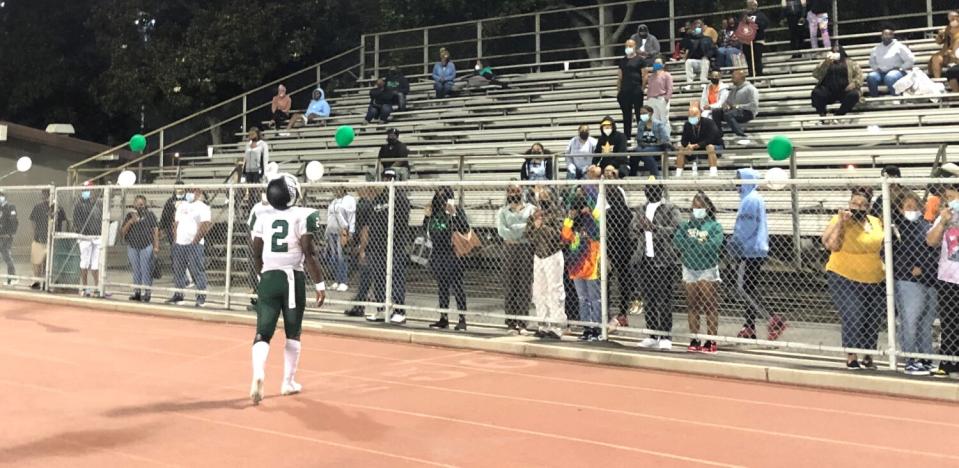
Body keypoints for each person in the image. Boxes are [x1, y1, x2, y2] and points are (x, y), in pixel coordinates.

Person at [248, 174, 327, 405]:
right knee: (293, 332)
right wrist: (320, 283)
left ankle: (258, 373)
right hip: (292, 277)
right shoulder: (303, 215)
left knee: (263, 332)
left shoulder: (261, 215)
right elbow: (308, 251)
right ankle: (288, 382)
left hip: (268, 275)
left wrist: (260, 273)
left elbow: (256, 250)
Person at [822, 188, 884, 370]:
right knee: (853, 314)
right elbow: (833, 245)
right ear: (849, 204)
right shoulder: (840, 219)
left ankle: (868, 354)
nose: (859, 208)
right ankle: (851, 355)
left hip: (875, 277)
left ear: (869, 207)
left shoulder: (876, 221)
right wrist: (842, 223)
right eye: (855, 204)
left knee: (872, 318)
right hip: (845, 276)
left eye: (863, 205)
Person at [728, 169, 780, 340]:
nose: (736, 185)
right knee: (750, 287)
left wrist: (733, 246)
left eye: (739, 181)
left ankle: (772, 319)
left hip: (750, 250)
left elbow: (745, 228)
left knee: (744, 288)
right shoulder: (753, 198)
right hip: (755, 248)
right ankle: (749, 326)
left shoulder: (750, 200)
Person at [893, 193, 938, 375]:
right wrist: (912, 266)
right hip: (908, 280)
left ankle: (926, 358)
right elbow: (892, 253)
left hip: (930, 279)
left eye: (915, 207)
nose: (912, 210)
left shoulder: (926, 225)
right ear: (900, 209)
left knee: (926, 322)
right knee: (909, 321)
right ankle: (910, 359)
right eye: (908, 207)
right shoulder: (898, 227)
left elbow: (933, 250)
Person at [674, 191, 724, 353]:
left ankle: (711, 340)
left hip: (707, 269)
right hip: (689, 269)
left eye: (700, 206)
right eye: (694, 207)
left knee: (710, 305)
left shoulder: (714, 226)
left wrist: (692, 245)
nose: (696, 209)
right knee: (692, 305)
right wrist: (698, 244)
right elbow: (678, 242)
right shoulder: (685, 226)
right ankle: (694, 338)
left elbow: (713, 246)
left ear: (707, 207)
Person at [634, 182, 680, 350]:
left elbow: (676, 229)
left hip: (664, 259)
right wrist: (639, 227)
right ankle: (653, 334)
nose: (650, 191)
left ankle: (666, 335)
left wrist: (655, 228)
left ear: (660, 190)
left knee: (664, 299)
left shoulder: (670, 208)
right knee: (649, 298)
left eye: (653, 188)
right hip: (645, 259)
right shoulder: (641, 209)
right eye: (647, 188)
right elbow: (631, 230)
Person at [363, 169, 412, 324]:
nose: (387, 180)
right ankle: (382, 309)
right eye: (385, 177)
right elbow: (372, 221)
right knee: (378, 278)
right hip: (377, 246)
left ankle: (399, 310)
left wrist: (391, 239)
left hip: (394, 245)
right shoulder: (379, 199)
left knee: (396, 277)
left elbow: (402, 223)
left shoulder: (401, 198)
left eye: (390, 178)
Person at [926, 183, 959, 378]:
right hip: (948, 277)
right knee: (950, 321)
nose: (951, 200)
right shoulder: (946, 215)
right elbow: (931, 241)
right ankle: (948, 362)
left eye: (953, 195)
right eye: (949, 197)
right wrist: (943, 222)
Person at [425, 187, 469, 331]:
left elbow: (465, 228)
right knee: (442, 286)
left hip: (452, 253)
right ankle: (443, 317)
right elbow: (425, 228)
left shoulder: (456, 210)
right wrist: (427, 216)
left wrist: (454, 213)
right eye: (438, 196)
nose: (441, 200)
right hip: (438, 252)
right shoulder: (435, 212)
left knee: (457, 286)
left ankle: (462, 318)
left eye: (444, 196)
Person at [526, 187, 566, 339]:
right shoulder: (536, 213)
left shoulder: (558, 213)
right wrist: (535, 226)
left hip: (552, 254)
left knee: (554, 290)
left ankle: (557, 327)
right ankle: (543, 324)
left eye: (545, 196)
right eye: (540, 197)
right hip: (538, 255)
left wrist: (542, 226)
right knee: (539, 291)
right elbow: (527, 233)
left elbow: (558, 235)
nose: (542, 200)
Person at [562, 191, 602, 341]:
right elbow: (565, 237)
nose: (578, 210)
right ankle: (587, 328)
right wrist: (570, 218)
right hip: (576, 267)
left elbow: (598, 230)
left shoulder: (591, 217)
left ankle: (597, 329)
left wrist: (590, 211)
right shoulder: (573, 222)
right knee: (582, 299)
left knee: (595, 299)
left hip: (591, 265)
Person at [497, 185, 535, 334]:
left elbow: (531, 228)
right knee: (510, 284)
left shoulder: (530, 208)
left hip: (526, 249)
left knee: (524, 285)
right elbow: (501, 231)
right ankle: (511, 322)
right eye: (511, 191)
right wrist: (521, 231)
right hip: (509, 250)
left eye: (517, 190)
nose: (514, 193)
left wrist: (513, 231)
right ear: (507, 193)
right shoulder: (502, 211)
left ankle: (523, 322)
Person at [168, 188, 211, 307]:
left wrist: (195, 241)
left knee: (197, 270)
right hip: (180, 244)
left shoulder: (203, 207)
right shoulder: (182, 206)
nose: (192, 193)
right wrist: (176, 240)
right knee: (178, 270)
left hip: (195, 244)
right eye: (190, 191)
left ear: (199, 193)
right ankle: (179, 295)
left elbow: (205, 225)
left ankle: (200, 298)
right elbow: (175, 224)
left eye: (194, 191)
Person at [603, 166, 635, 327]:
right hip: (610, 242)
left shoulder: (619, 195)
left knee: (621, 278)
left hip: (619, 242)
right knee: (609, 279)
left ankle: (621, 313)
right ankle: (609, 313)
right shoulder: (602, 195)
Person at [121, 195, 159, 302]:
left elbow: (155, 230)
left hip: (146, 245)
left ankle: (147, 292)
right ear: (134, 205)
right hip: (133, 246)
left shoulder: (150, 215)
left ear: (145, 205)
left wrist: (156, 246)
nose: (139, 206)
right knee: (136, 270)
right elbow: (123, 232)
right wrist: (131, 222)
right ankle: (137, 292)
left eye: (141, 204)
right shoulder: (130, 215)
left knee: (145, 269)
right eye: (137, 204)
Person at [345, 187, 374, 317]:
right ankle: (359, 304)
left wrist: (362, 248)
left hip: (368, 246)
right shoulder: (365, 204)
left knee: (366, 277)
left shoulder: (365, 205)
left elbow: (365, 228)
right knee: (365, 278)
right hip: (367, 244)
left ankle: (359, 305)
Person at [811, 45, 863, 120]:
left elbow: (859, 76)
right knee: (816, 93)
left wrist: (854, 83)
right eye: (833, 52)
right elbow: (815, 74)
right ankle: (822, 114)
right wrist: (826, 63)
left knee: (854, 94)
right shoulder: (826, 62)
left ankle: (839, 114)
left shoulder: (851, 63)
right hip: (828, 90)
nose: (836, 54)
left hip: (844, 90)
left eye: (838, 52)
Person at [28, 189, 65, 290]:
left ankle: (47, 282)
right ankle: (37, 281)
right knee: (37, 262)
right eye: (43, 194)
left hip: (52, 239)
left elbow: (62, 222)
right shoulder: (38, 207)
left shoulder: (58, 208)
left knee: (49, 263)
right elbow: (32, 221)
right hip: (39, 239)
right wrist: (35, 234)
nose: (44, 196)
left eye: (46, 194)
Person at [711, 68, 759, 139]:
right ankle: (718, 133)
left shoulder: (750, 89)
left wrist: (737, 106)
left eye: (733, 77)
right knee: (716, 111)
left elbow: (754, 105)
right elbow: (728, 102)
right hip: (733, 111)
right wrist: (725, 105)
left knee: (728, 114)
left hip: (747, 112)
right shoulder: (733, 90)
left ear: (740, 77)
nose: (731, 79)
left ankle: (741, 135)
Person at [675, 106, 724, 178]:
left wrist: (696, 145)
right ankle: (678, 174)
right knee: (681, 148)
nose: (692, 118)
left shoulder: (709, 122)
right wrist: (687, 146)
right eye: (690, 116)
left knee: (709, 147)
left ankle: (713, 172)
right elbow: (683, 140)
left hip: (714, 146)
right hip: (695, 148)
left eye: (694, 116)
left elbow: (712, 139)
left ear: (699, 115)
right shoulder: (687, 124)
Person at [867, 28, 915, 97]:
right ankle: (874, 98)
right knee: (871, 77)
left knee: (890, 77)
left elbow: (911, 59)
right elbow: (872, 62)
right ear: (881, 36)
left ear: (892, 36)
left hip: (897, 72)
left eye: (888, 35)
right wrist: (876, 68)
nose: (886, 36)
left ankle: (896, 97)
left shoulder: (899, 46)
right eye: (884, 35)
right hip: (881, 73)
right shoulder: (876, 48)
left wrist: (901, 68)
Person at [73, 184, 102, 297]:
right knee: (84, 262)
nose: (87, 193)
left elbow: (100, 219)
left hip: (97, 236)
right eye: (85, 190)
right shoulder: (79, 204)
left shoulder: (98, 204)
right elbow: (76, 221)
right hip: (85, 237)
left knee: (96, 263)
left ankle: (97, 287)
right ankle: (85, 287)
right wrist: (82, 231)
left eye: (89, 190)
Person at [326, 187, 356, 293]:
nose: (335, 191)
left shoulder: (349, 200)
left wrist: (351, 231)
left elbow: (351, 216)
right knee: (334, 257)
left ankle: (343, 281)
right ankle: (337, 280)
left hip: (341, 231)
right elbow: (329, 216)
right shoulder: (334, 201)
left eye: (338, 189)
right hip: (332, 231)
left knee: (341, 256)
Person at [618, 39, 646, 142]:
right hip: (625, 91)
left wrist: (642, 89)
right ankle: (627, 137)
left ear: (634, 47)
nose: (628, 48)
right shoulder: (622, 61)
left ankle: (640, 136)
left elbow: (644, 75)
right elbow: (619, 76)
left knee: (639, 115)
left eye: (630, 46)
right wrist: (618, 90)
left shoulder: (640, 60)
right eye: (626, 46)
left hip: (636, 90)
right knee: (626, 116)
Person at [633, 106, 669, 178]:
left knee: (645, 152)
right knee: (634, 153)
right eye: (641, 113)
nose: (642, 115)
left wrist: (652, 144)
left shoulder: (658, 124)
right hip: (644, 147)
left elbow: (665, 139)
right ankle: (632, 175)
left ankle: (656, 176)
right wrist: (643, 144)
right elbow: (639, 139)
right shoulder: (641, 124)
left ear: (651, 113)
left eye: (644, 113)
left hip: (657, 147)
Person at [741, 0, 770, 76]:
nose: (749, 6)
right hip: (747, 41)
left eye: (751, 5)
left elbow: (764, 25)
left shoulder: (760, 15)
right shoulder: (744, 15)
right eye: (748, 5)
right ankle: (751, 74)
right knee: (749, 60)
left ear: (755, 5)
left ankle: (759, 74)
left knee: (757, 59)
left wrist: (752, 22)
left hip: (757, 40)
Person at [930, 11, 959, 79]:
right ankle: (938, 81)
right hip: (946, 54)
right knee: (936, 58)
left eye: (955, 17)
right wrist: (940, 35)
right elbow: (938, 42)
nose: (953, 19)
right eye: (950, 17)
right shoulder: (947, 29)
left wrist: (952, 52)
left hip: (956, 55)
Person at [646, 58, 673, 123]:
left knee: (664, 120)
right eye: (655, 63)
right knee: (654, 121)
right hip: (652, 99)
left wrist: (666, 98)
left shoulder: (667, 75)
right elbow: (649, 88)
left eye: (658, 63)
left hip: (661, 99)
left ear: (663, 65)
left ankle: (666, 133)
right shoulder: (652, 76)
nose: (656, 64)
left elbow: (670, 88)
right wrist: (648, 98)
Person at [0, 191, 18, 285]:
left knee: (7, 256)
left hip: (7, 236)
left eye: (1, 196)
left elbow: (14, 221)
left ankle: (12, 278)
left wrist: (11, 233)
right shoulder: (1, 208)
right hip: (0, 235)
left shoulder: (10, 207)